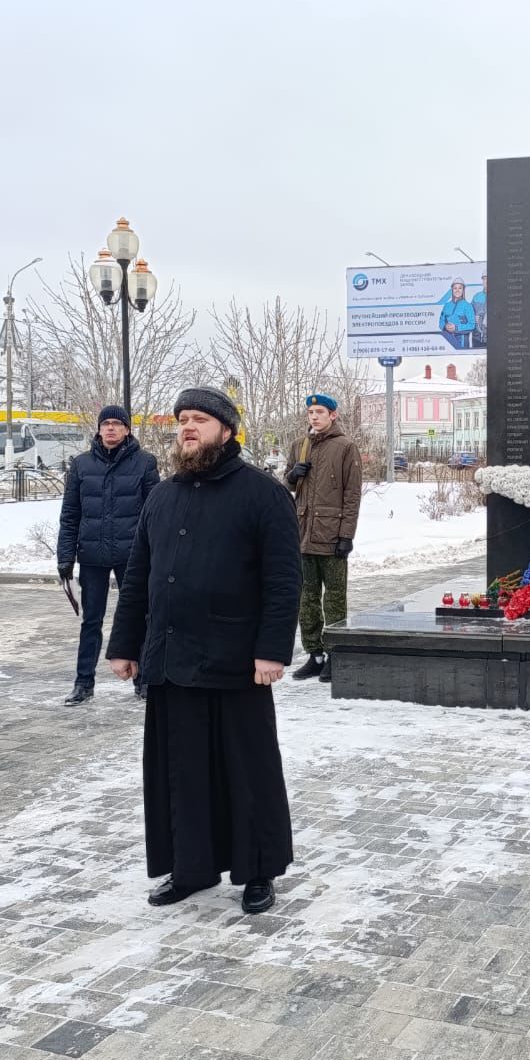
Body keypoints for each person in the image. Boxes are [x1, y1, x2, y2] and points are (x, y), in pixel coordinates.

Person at [106, 387, 301, 914]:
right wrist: (124, 645)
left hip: (236, 660)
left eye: (199, 419)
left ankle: (257, 871)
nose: (187, 427)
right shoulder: (162, 496)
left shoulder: (263, 494)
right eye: (182, 420)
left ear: (226, 430)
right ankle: (190, 868)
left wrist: (272, 651)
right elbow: (138, 577)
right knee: (181, 771)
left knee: (247, 770)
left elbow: (283, 581)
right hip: (171, 658)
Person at [56, 405, 159, 706]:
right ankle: (83, 683)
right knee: (91, 621)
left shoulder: (145, 463)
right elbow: (70, 515)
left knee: (139, 617)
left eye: (117, 423)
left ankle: (143, 680)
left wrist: (157, 553)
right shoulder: (81, 465)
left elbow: (155, 513)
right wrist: (65, 557)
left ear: (127, 429)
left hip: (133, 556)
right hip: (92, 555)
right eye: (106, 423)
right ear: (99, 429)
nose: (111, 428)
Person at [285, 393, 362, 681]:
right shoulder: (299, 446)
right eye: (310, 412)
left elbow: (352, 495)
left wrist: (346, 535)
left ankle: (335, 654)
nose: (314, 417)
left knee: (334, 600)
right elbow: (286, 486)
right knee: (306, 599)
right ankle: (314, 655)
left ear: (333, 415)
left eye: (320, 412)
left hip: (332, 536)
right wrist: (293, 475)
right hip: (303, 534)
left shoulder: (345, 447)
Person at [439, 278, 475, 350]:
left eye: (460, 288)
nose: (457, 290)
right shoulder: (446, 305)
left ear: (463, 290)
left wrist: (456, 328)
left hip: (462, 341)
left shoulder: (468, 306)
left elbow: (472, 325)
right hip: (448, 340)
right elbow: (441, 322)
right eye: (455, 288)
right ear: (452, 289)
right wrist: (445, 326)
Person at [471, 274, 488, 349]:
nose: (486, 281)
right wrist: (473, 318)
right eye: (484, 279)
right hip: (477, 338)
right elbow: (469, 314)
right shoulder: (476, 296)